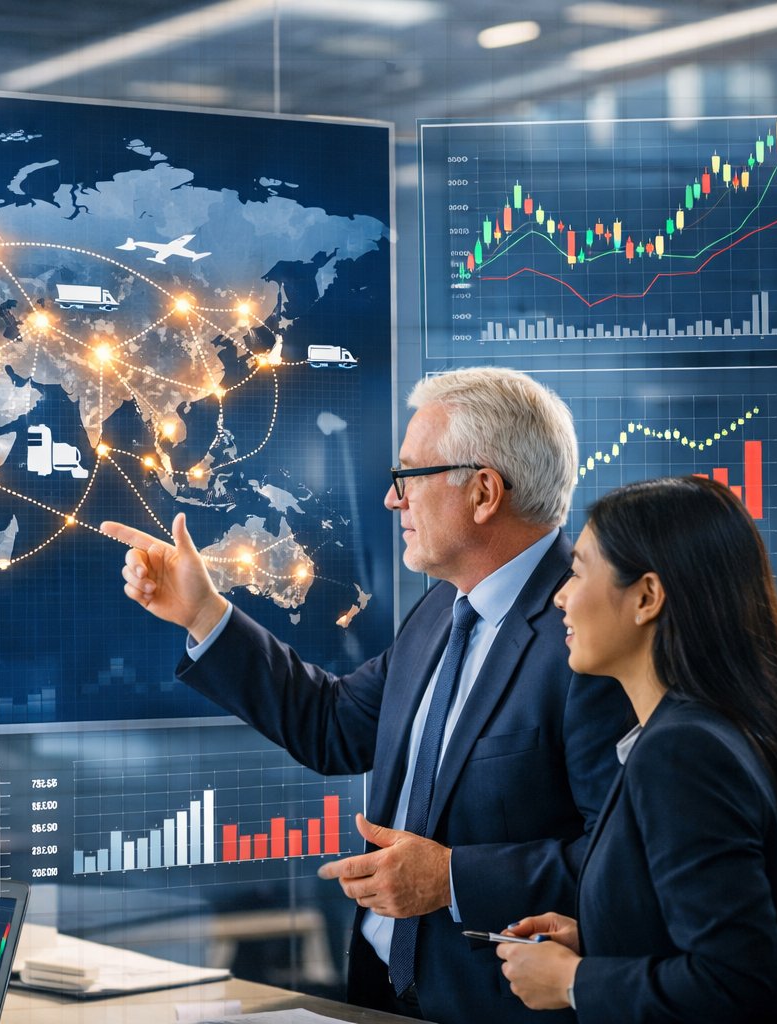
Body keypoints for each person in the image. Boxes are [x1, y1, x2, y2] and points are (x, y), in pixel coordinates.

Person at [102, 367, 633, 1023]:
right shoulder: (443, 609)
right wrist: (204, 615)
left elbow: (628, 864)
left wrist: (451, 880)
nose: (392, 499)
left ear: (484, 492)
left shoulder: (594, 637)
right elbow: (335, 725)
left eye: (408, 476)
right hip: (383, 992)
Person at [494, 476, 777, 1022]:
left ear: (646, 597)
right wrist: (599, 937)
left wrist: (573, 981)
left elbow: (737, 983)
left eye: (577, 572)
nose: (561, 596)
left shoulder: (684, 753)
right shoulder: (706, 729)